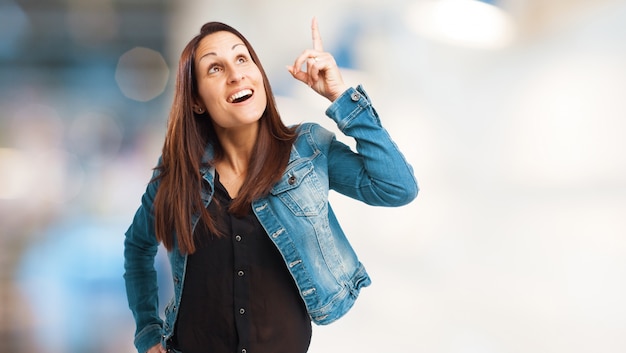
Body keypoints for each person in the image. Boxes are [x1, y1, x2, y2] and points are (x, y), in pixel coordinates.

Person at [123, 17, 418, 353]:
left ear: (259, 75)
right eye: (214, 69)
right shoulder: (177, 175)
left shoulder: (308, 148)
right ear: (196, 101)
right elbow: (137, 247)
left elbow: (397, 187)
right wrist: (148, 333)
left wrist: (341, 97)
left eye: (241, 58)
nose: (235, 74)